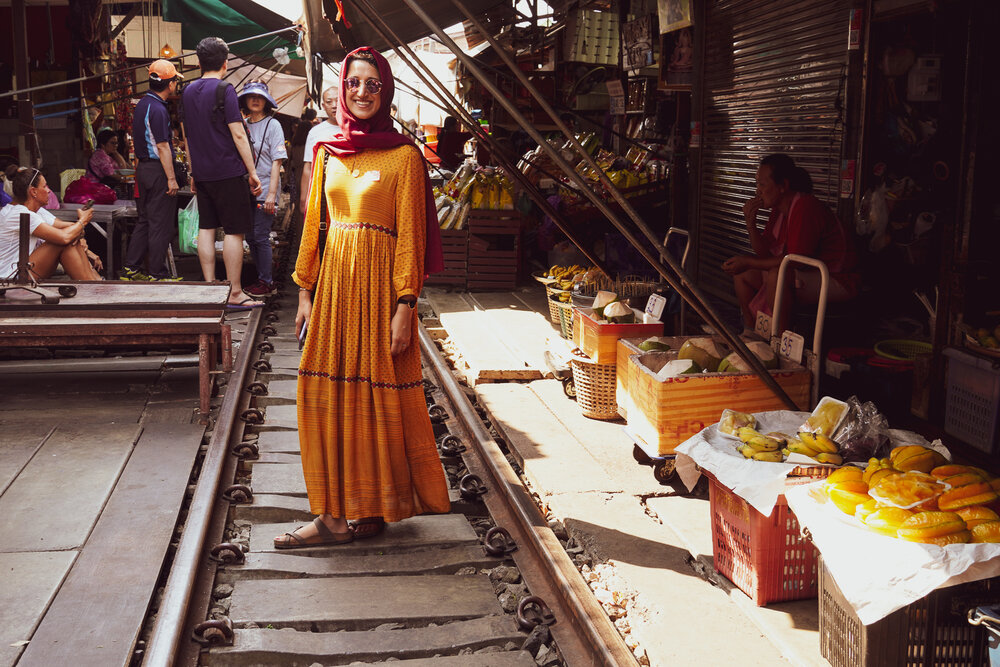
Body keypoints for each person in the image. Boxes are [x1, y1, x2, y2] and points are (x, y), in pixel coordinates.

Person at [274, 46, 448, 549]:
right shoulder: (329, 152)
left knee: (373, 395)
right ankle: (332, 515)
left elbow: (411, 237)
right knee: (326, 391)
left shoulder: (405, 157)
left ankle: (366, 507)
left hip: (378, 292)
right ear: (341, 90)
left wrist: (405, 304)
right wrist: (305, 290)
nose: (362, 92)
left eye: (373, 84)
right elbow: (317, 225)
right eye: (354, 83)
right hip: (333, 290)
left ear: (385, 90)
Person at [722, 153, 859, 334]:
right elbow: (765, 254)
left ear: (783, 186)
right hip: (807, 274)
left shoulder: (805, 206)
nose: (758, 191)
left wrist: (749, 261)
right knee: (744, 273)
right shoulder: (778, 211)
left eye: (762, 184)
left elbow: (796, 259)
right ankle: (750, 332)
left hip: (839, 279)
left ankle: (778, 340)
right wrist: (750, 225)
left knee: (777, 276)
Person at [181, 37, 264, 309]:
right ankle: (236, 292)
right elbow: (238, 133)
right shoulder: (225, 89)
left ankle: (209, 288)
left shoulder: (188, 90)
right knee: (234, 232)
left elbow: (188, 136)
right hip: (228, 171)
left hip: (203, 173)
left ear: (199, 62)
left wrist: (193, 172)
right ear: (225, 63)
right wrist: (252, 171)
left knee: (207, 228)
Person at [120, 59, 183, 282]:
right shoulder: (158, 108)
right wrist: (172, 179)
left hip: (144, 169)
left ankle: (131, 268)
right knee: (160, 223)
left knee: (145, 220)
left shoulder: (143, 105)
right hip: (158, 170)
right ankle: (157, 273)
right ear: (171, 84)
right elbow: (163, 146)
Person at [0, 167, 102, 281]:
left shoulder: (36, 211)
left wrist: (78, 229)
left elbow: (71, 230)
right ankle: (92, 285)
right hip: (10, 277)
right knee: (62, 241)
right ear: (33, 191)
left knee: (69, 238)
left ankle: (94, 282)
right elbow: (65, 237)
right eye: (44, 186)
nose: (49, 190)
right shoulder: (20, 213)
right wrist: (82, 221)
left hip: (23, 269)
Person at [238, 80, 287, 297]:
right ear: (246, 101)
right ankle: (262, 277)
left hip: (266, 188)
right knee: (250, 237)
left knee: (260, 236)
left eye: (259, 97)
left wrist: (270, 195)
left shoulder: (273, 125)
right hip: (245, 191)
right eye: (251, 97)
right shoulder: (242, 125)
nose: (256, 100)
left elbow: (277, 162)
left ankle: (267, 282)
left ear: (266, 101)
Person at [298, 86, 340, 221]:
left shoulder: (355, 129)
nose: (334, 106)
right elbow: (308, 166)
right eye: (329, 102)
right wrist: (304, 197)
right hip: (322, 193)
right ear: (323, 105)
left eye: (338, 101)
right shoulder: (316, 132)